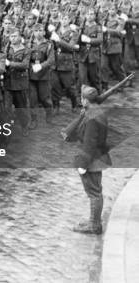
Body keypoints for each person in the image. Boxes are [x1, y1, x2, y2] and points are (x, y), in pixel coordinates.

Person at [64, 85, 111, 235]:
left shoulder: (92, 117)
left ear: (85, 100)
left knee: (94, 193)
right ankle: (94, 221)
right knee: (96, 191)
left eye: (82, 98)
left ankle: (94, 225)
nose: (80, 100)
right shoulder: (96, 111)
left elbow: (90, 143)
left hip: (92, 160)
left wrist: (83, 164)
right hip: (98, 156)